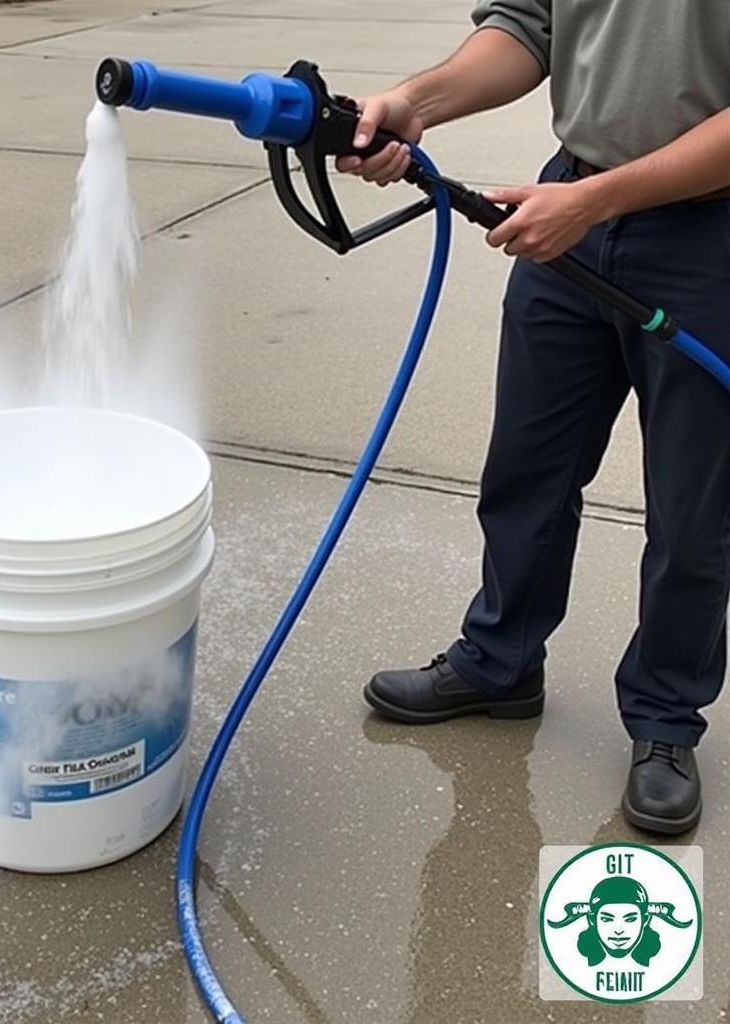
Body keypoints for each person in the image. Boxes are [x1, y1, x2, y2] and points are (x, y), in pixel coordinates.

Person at [337, 1, 730, 835]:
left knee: (695, 510)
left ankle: (664, 721)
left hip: (710, 231)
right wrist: (419, 100)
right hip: (573, 197)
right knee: (528, 465)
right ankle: (501, 661)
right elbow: (528, 26)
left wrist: (594, 200)